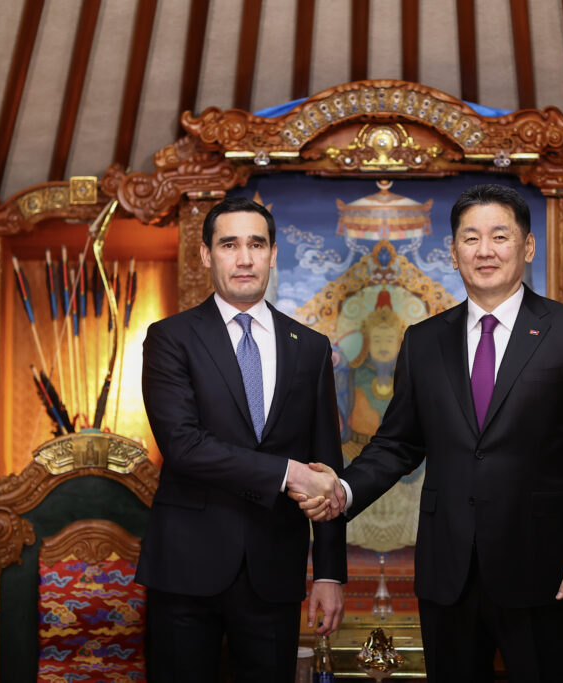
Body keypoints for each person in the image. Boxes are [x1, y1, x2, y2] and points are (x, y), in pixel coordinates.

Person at [295, 184, 563, 681]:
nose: (484, 250)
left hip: (545, 568)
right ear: (453, 253)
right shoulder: (424, 341)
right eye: (471, 239)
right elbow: (397, 444)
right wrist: (342, 489)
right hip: (448, 571)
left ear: (527, 247)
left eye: (500, 236)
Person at [139, 196, 347, 682]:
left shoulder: (310, 347)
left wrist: (329, 572)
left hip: (274, 569)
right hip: (185, 568)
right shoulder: (170, 338)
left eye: (256, 244)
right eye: (229, 245)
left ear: (273, 254)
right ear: (206, 254)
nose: (245, 258)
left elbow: (326, 466)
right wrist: (288, 473)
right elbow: (183, 446)